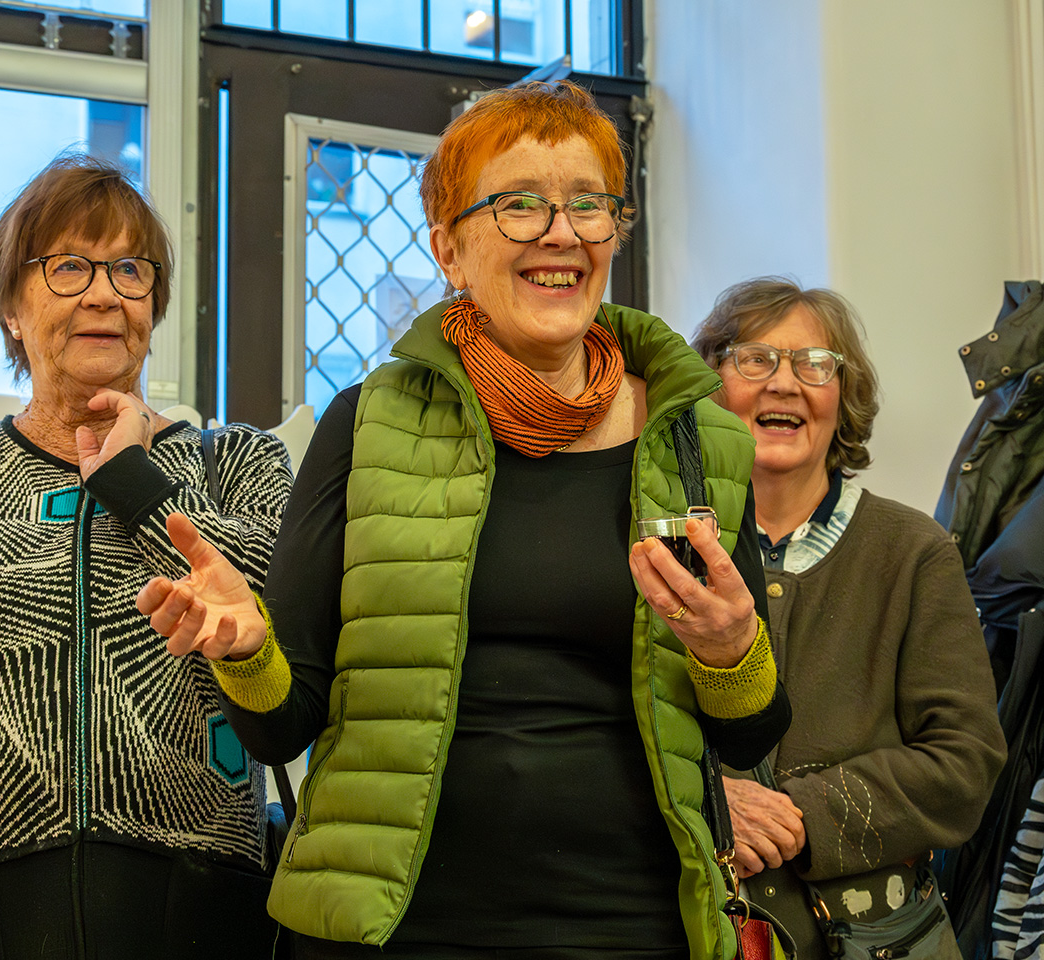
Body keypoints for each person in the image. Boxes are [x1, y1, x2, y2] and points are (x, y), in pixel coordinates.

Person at [139, 81, 789, 960]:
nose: (561, 233)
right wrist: (247, 651)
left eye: (588, 204)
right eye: (520, 204)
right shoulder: (367, 422)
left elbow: (749, 737)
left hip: (630, 925)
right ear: (450, 250)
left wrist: (732, 652)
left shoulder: (698, 438)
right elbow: (283, 726)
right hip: (392, 930)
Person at [0, 155, 293, 960]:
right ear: (11, 308)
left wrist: (135, 485)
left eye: (129, 269)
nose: (103, 293)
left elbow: (283, 629)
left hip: (195, 897)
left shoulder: (238, 462)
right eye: (69, 266)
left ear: (152, 303)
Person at [690, 277, 1007, 959]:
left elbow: (965, 763)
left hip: (874, 939)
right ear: (710, 387)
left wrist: (798, 816)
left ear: (843, 396)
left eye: (815, 364)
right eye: (755, 359)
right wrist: (710, 802)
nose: (784, 383)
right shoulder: (662, 549)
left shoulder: (915, 552)